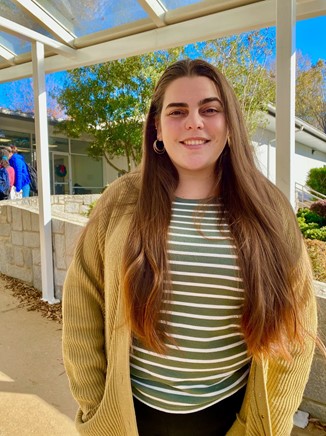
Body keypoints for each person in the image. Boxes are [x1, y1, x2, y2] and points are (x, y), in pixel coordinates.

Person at [62, 59, 318, 436]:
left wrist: (268, 425)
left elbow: (295, 330)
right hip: (131, 419)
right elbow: (83, 304)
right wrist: (96, 406)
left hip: (232, 417)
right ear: (158, 129)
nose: (194, 122)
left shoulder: (269, 207)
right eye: (177, 111)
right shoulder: (122, 200)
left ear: (229, 123)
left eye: (209, 109)